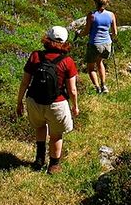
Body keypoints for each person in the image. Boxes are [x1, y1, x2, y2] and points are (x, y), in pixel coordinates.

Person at [16, 26, 79, 174]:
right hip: (56, 103)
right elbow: (72, 90)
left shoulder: (35, 56)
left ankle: (39, 159)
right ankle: (54, 165)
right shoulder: (68, 61)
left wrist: (19, 102)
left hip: (34, 101)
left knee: (40, 127)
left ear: (47, 39)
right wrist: (75, 106)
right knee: (56, 134)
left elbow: (25, 82)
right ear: (64, 42)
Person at [80, 0, 118, 94]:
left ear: (95, 1)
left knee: (91, 67)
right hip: (107, 44)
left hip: (94, 44)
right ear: (106, 2)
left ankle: (97, 88)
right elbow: (114, 32)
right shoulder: (111, 15)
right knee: (100, 62)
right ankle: (104, 85)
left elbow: (87, 31)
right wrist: (109, 35)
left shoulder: (92, 15)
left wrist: (79, 34)